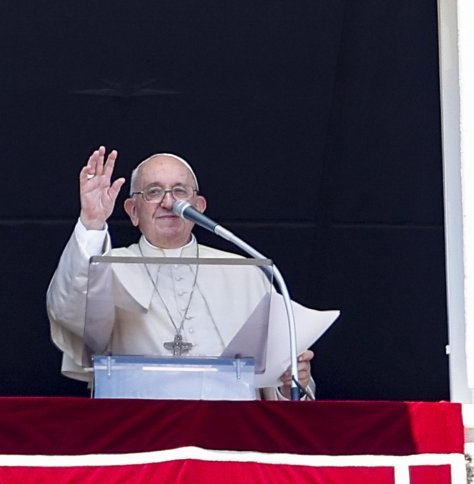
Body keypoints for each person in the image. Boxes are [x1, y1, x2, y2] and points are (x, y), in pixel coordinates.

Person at [47, 146, 314, 399]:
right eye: (153, 192)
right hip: (140, 432)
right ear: (132, 211)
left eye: (179, 191)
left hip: (230, 434)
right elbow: (70, 311)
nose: (168, 202)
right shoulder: (106, 267)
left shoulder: (246, 272)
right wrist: (92, 223)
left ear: (199, 206)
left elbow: (278, 381)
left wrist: (292, 382)